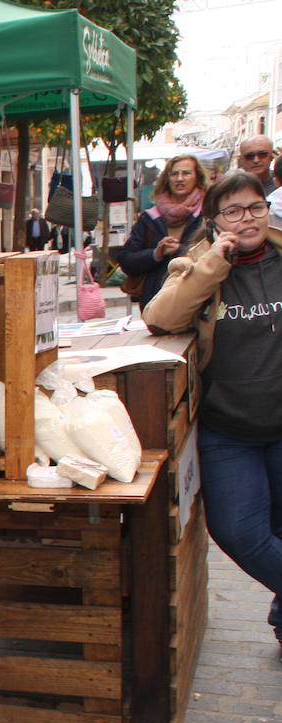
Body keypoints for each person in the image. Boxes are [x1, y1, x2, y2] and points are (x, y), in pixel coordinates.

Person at [143, 169, 282, 659]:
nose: (248, 219)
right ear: (215, 218)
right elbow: (160, 317)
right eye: (233, 211)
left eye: (256, 207)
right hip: (230, 430)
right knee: (240, 532)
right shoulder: (201, 262)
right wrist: (212, 266)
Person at [119, 154, 206, 308]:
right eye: (174, 174)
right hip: (156, 301)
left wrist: (180, 250)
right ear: (167, 179)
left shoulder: (207, 214)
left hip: (197, 300)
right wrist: (156, 254)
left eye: (186, 173)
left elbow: (212, 255)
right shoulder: (149, 217)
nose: (180, 178)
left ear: (197, 177)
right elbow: (126, 260)